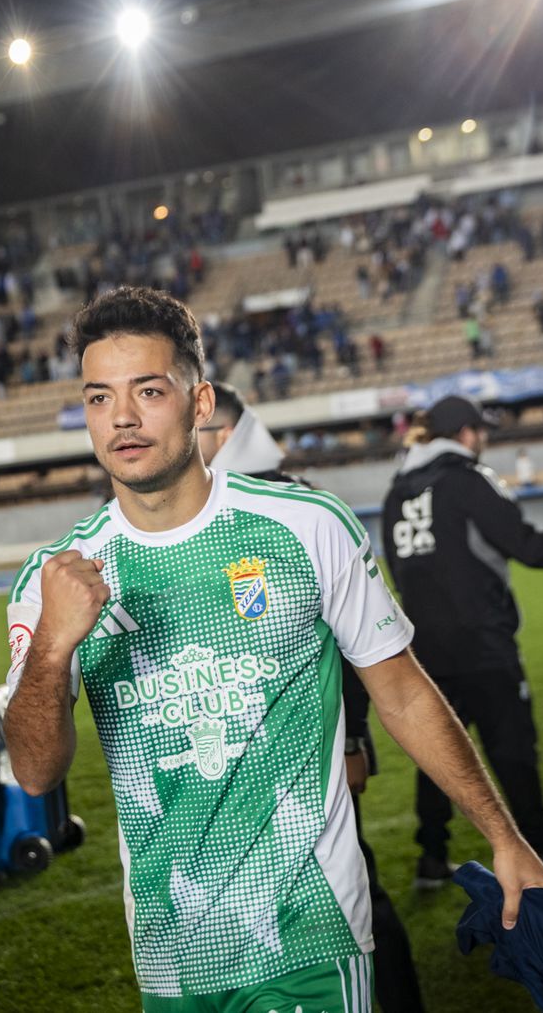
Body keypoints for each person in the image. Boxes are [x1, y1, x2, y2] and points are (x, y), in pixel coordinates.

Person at [5, 288, 543, 1013]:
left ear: (200, 404)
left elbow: (403, 690)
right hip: (170, 953)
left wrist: (502, 834)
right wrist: (51, 647)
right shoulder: (58, 575)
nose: (124, 419)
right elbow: (35, 774)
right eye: (100, 398)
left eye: (148, 391)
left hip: (311, 932)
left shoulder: (304, 525)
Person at [199, 381, 426, 1013]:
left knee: (356, 888)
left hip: (312, 751)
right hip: (243, 761)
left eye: (201, 430)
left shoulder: (293, 506)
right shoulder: (209, 515)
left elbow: (350, 646)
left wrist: (353, 740)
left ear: (226, 435)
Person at [382, 395, 543, 890]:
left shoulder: (397, 489)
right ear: (466, 433)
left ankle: (431, 859)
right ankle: (540, 848)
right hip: (482, 644)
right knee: (513, 749)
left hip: (423, 647)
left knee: (439, 754)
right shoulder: (468, 480)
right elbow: (531, 547)